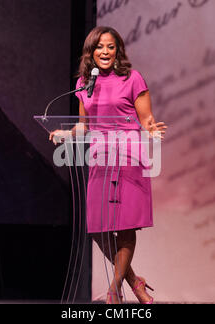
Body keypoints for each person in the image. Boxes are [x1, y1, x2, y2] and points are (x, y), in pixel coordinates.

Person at [50, 26, 167, 304]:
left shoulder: (132, 78)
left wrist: (151, 130)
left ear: (118, 51)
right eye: (99, 47)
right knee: (98, 228)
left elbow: (146, 118)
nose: (105, 52)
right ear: (90, 52)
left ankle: (115, 290)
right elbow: (83, 127)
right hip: (101, 159)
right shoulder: (83, 84)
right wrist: (65, 134)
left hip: (128, 157)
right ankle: (136, 283)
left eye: (110, 47)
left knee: (126, 226)